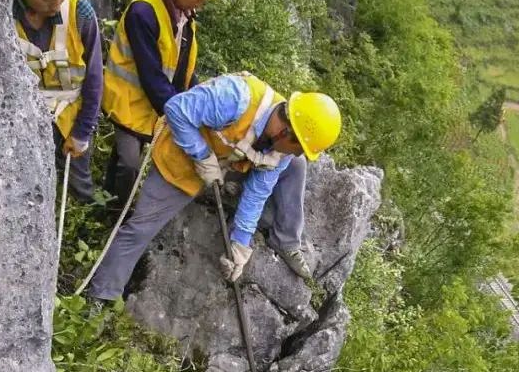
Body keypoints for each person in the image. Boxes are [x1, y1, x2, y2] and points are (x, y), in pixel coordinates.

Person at [86, 72, 342, 303]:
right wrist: (201, 155)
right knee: (141, 228)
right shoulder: (236, 97)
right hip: (181, 162)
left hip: (226, 166)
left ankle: (282, 239)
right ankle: (102, 294)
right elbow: (176, 109)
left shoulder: (282, 150)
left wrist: (240, 243)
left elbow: (256, 193)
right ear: (286, 132)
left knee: (295, 167)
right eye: (298, 148)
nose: (295, 153)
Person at [101, 0, 223, 210]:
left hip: (154, 107)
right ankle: (115, 214)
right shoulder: (143, 13)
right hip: (129, 103)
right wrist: (181, 116)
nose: (202, 2)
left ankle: (112, 200)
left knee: (128, 160)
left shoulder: (184, 17)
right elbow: (152, 76)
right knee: (129, 163)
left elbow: (182, 69)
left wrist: (201, 102)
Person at [2, 0, 102, 200]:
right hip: (21, 124)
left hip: (69, 119)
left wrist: (82, 133)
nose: (57, 3)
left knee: (78, 188)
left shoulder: (80, 14)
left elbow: (95, 80)